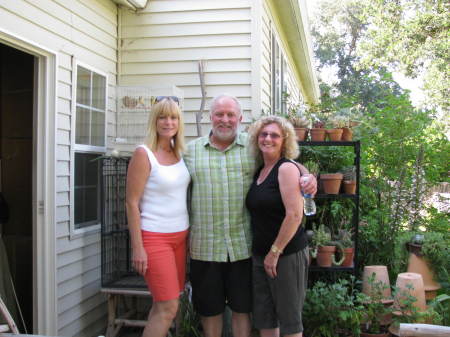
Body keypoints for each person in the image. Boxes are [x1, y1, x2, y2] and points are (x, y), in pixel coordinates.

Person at [183, 94, 316, 337]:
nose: (225, 120)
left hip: (242, 248)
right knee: (210, 311)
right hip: (205, 248)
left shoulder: (252, 148)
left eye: (230, 115)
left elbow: (287, 164)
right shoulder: (190, 151)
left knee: (242, 310)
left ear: (240, 119)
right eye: (219, 114)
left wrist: (309, 177)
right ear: (210, 117)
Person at [126, 96, 190, 337]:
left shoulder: (180, 153)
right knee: (169, 306)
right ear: (154, 120)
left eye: (173, 117)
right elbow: (131, 203)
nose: (168, 122)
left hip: (180, 238)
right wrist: (138, 248)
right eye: (162, 116)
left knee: (161, 305)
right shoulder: (144, 153)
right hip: (155, 239)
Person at [246, 115, 308, 337]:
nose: (268, 138)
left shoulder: (286, 169)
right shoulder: (260, 170)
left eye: (274, 135)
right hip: (261, 256)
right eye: (263, 134)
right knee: (266, 320)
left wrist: (275, 252)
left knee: (290, 323)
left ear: (285, 141)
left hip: (286, 255)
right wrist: (266, 255)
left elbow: (294, 215)